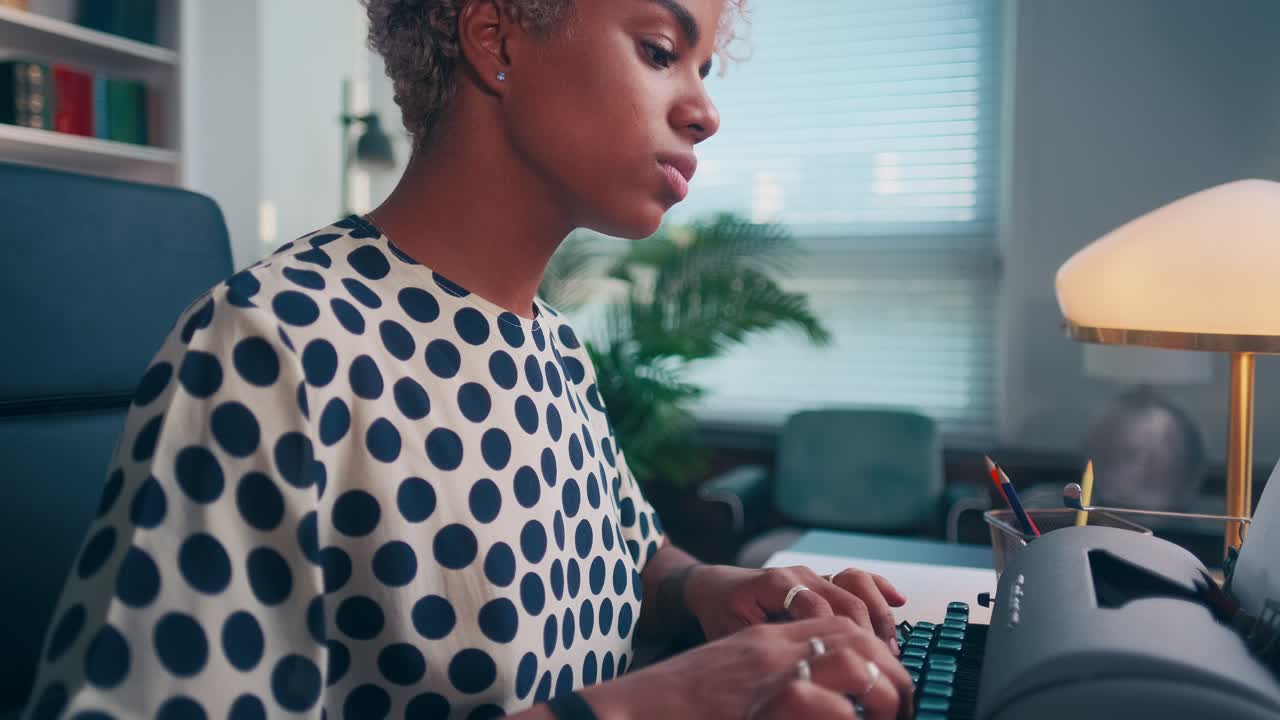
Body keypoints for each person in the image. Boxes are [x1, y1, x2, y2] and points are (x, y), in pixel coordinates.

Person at [24, 1, 914, 718]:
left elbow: (624, 554)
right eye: (657, 50)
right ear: (497, 38)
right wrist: (654, 704)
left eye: (705, 67)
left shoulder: (551, 348)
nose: (705, 111)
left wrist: (710, 586)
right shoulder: (275, 347)